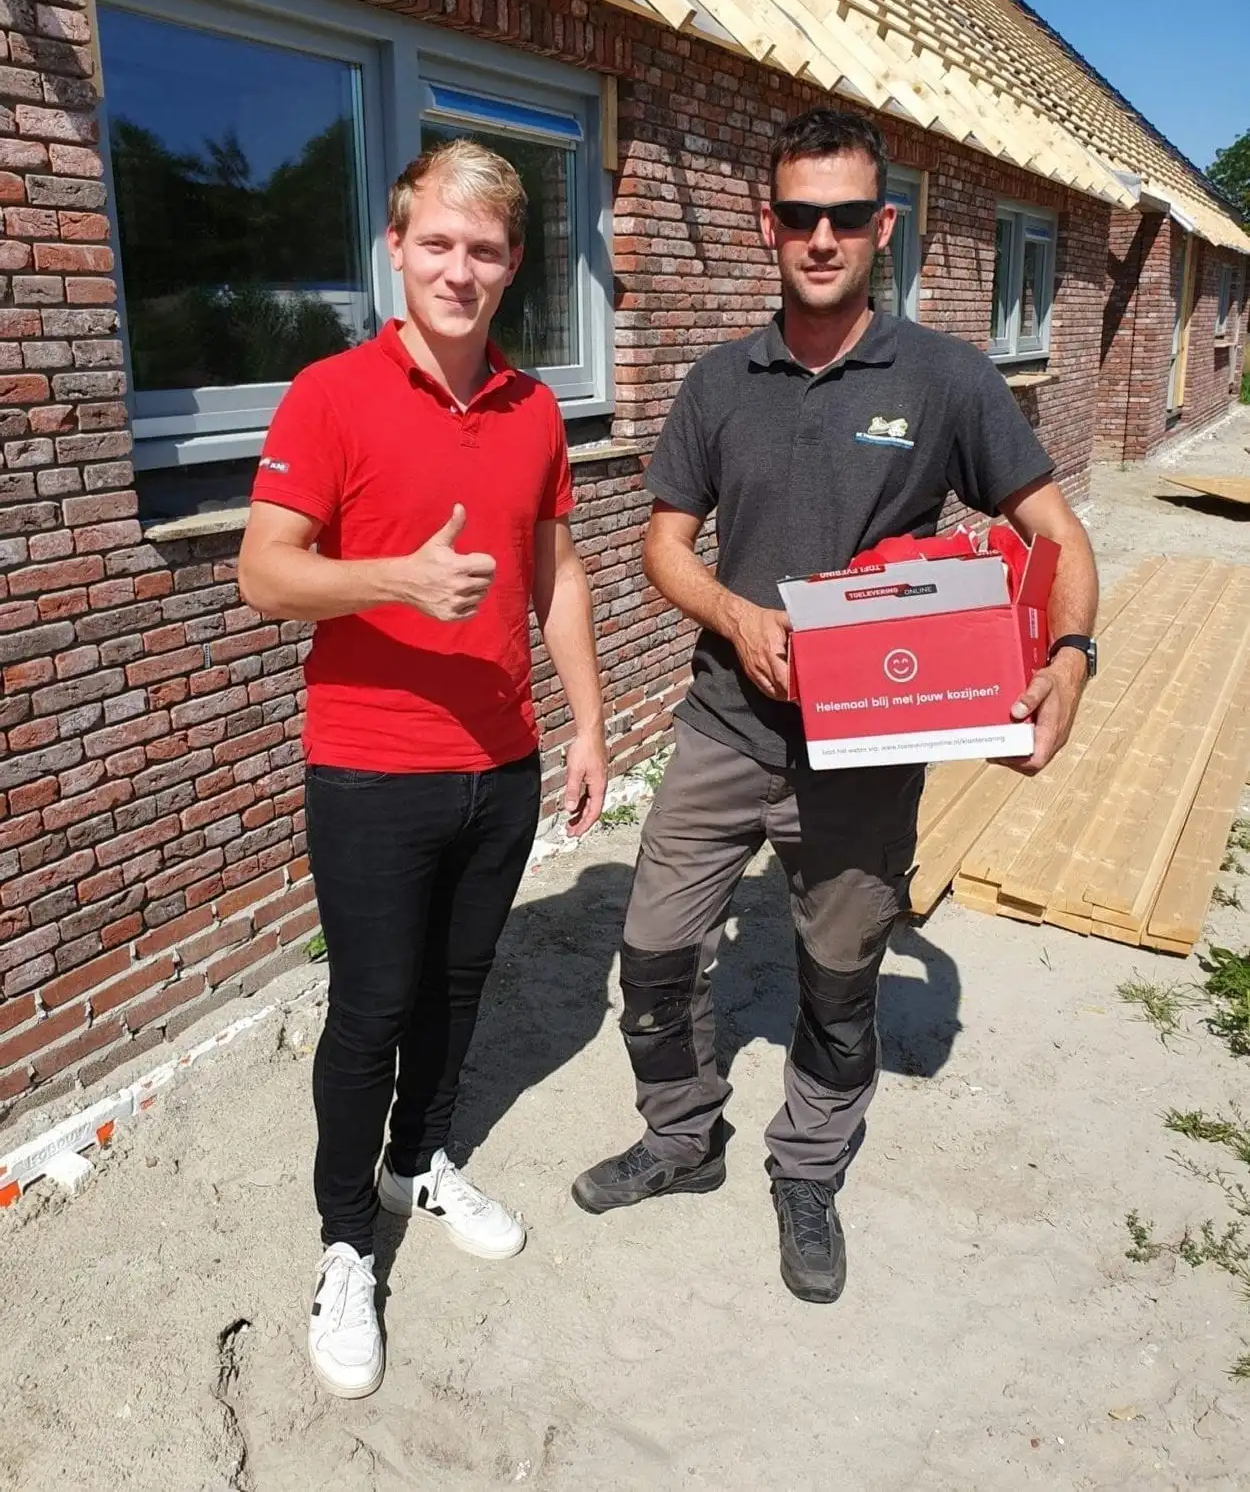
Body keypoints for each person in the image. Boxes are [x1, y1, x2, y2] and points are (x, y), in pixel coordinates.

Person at [571, 108, 1098, 1305]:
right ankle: (680, 1134)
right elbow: (662, 546)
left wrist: (1066, 660)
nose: (821, 237)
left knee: (839, 968)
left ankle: (806, 1169)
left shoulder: (945, 378)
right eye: (799, 215)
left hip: (866, 746)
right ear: (767, 224)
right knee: (653, 950)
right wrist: (733, 614)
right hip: (724, 724)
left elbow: (1055, 534)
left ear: (881, 225)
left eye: (845, 216)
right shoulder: (719, 382)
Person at [239, 138, 606, 1398]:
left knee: (457, 988)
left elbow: (556, 576)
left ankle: (419, 1161)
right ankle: (346, 1242)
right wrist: (395, 578)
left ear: (513, 265)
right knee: (372, 1008)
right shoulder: (329, 393)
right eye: (436, 242)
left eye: (484, 249)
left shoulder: (534, 408)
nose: (459, 268)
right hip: (370, 766)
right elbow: (263, 571)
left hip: (499, 760)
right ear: (394, 247)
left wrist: (588, 724)